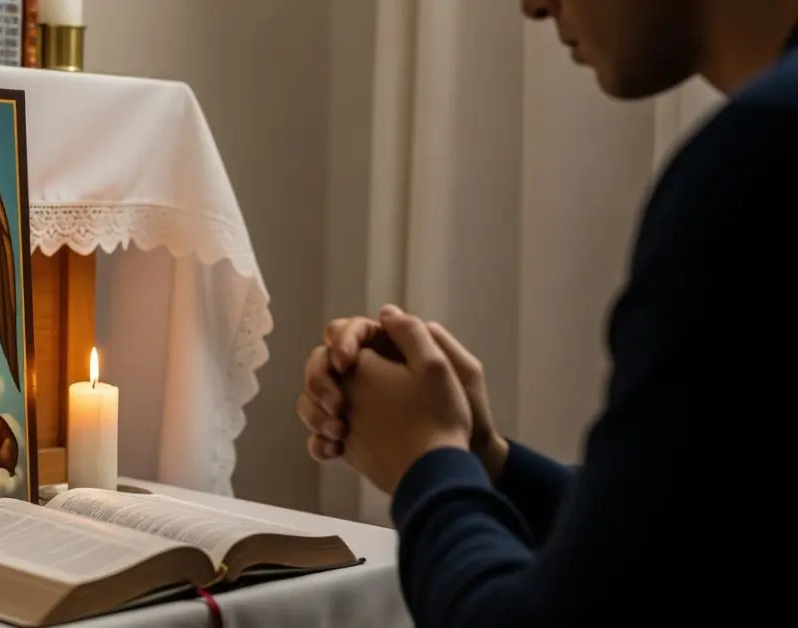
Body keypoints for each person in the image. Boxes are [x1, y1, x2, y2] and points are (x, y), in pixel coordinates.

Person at [298, 1, 794, 625]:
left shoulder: (759, 158)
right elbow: (693, 544)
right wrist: (486, 461)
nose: (532, 6)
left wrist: (425, 464)